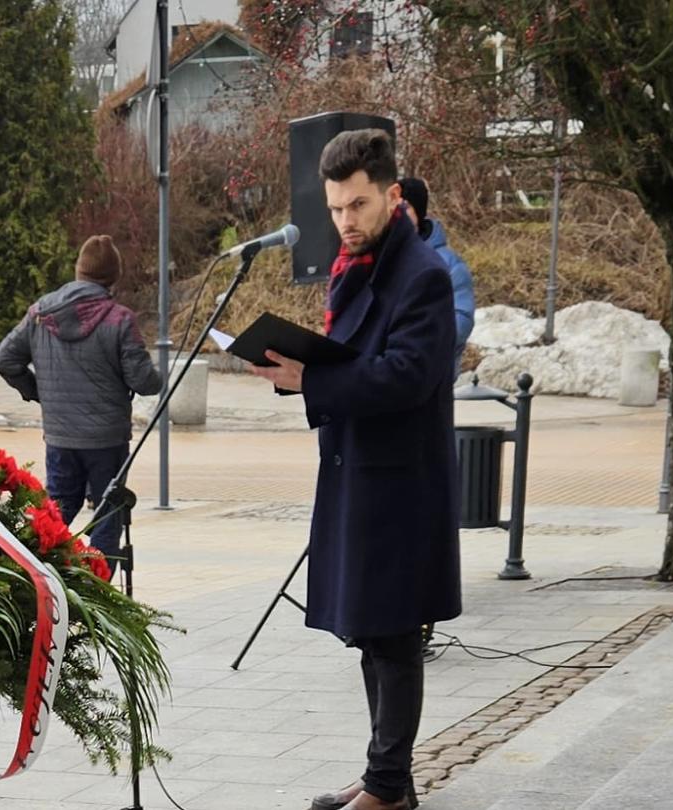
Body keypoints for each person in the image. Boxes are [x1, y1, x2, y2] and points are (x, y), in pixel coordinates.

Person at [248, 130, 461, 810]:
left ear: (393, 197)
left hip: (400, 482)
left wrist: (311, 379)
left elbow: (407, 377)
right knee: (371, 630)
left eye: (359, 205)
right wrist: (295, 370)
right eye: (337, 208)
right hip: (360, 473)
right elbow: (353, 361)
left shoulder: (420, 273)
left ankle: (390, 788)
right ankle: (382, 779)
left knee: (394, 633)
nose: (346, 221)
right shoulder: (356, 265)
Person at [0, 235, 163, 561]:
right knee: (107, 513)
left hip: (60, 436)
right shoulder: (119, 319)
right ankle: (98, 588)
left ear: (78, 271)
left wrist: (38, 392)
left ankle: (42, 573)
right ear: (113, 276)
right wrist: (158, 374)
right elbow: (145, 383)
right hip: (107, 440)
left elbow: (6, 360)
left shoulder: (40, 313)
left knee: (56, 512)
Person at [398, 177, 475, 372]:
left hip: (430, 375)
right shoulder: (377, 258)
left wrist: (414, 346)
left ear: (419, 212)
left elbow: (461, 321)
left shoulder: (449, 264)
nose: (396, 215)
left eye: (404, 208)